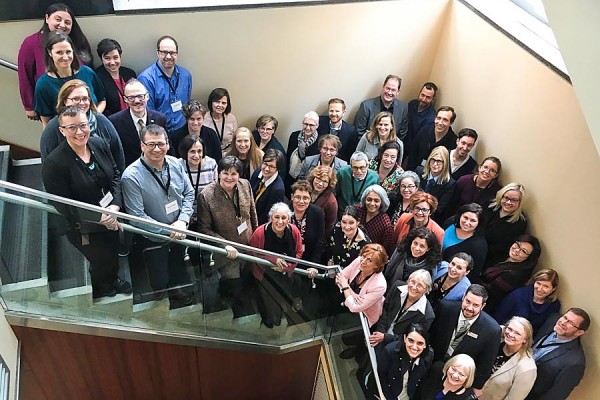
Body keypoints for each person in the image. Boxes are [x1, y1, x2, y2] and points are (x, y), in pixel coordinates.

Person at [41, 105, 130, 299]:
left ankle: (113, 279)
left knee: (113, 250)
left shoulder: (97, 143)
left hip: (111, 213)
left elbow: (115, 174)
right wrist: (100, 217)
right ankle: (101, 287)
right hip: (84, 225)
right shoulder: (54, 164)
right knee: (98, 258)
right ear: (62, 131)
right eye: (72, 128)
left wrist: (114, 206)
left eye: (83, 125)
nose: (79, 132)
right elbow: (64, 204)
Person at [121, 124, 194, 307]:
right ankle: (159, 292)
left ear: (168, 144)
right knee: (157, 274)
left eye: (161, 144)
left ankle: (176, 289)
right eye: (151, 144)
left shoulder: (176, 164)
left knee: (177, 265)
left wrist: (182, 221)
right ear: (142, 146)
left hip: (179, 231)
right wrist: (168, 230)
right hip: (152, 238)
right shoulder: (131, 176)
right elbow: (136, 215)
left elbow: (189, 193)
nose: (156, 149)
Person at [197, 156, 258, 317]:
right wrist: (224, 245)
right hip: (227, 254)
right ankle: (234, 310)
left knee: (247, 279)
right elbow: (204, 229)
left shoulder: (245, 185)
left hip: (248, 246)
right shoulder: (206, 195)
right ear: (218, 173)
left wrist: (257, 239)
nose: (229, 178)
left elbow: (252, 213)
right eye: (225, 173)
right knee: (232, 284)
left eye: (234, 174)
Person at [18, 2, 93, 121]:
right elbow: (24, 75)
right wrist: (29, 105)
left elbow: (89, 71)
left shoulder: (79, 40)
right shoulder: (31, 43)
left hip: (82, 106)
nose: (62, 25)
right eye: (58, 19)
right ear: (47, 18)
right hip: (51, 107)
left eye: (67, 22)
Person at [39, 79, 125, 174]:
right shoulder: (52, 128)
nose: (81, 103)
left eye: (85, 98)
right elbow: (48, 167)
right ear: (64, 101)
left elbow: (118, 154)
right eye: (76, 99)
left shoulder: (101, 120)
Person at [428, 284, 502, 394]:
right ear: (463, 297)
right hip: (431, 367)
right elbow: (430, 335)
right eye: (468, 301)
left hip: (457, 381)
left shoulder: (492, 330)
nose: (470, 308)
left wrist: (474, 389)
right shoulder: (445, 308)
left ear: (483, 306)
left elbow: (485, 365)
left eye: (476, 305)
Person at [248, 203, 303, 328]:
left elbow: (299, 252)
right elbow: (252, 253)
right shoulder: (260, 233)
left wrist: (287, 267)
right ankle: (271, 322)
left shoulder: (294, 231)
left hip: (286, 273)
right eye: (276, 217)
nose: (280, 221)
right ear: (271, 218)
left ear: (288, 220)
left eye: (284, 218)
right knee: (269, 301)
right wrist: (273, 259)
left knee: (282, 297)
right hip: (265, 274)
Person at [34, 31, 105, 127]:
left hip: (94, 127)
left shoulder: (87, 72)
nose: (65, 57)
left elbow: (102, 100)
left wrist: (92, 118)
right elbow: (46, 122)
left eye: (68, 52)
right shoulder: (43, 84)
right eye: (59, 52)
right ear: (50, 53)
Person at [528, 308, 590, 400]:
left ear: (579, 332)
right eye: (565, 317)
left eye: (571, 323)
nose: (563, 322)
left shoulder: (575, 363)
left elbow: (555, 396)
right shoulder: (552, 320)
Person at [371, 269, 435, 352]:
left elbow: (413, 338)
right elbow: (385, 309)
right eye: (412, 282)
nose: (414, 287)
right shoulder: (397, 287)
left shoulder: (427, 315)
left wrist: (385, 337)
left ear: (426, 290)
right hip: (381, 329)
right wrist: (380, 332)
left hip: (398, 345)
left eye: (419, 285)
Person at [138, 35, 192, 133]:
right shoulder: (146, 79)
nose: (168, 56)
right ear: (157, 53)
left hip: (182, 131)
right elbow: (148, 113)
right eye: (164, 52)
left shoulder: (186, 75)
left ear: (177, 54)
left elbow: (187, 105)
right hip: (160, 133)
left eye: (172, 53)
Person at [475, 234, 541, 313]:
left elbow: (489, 291)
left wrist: (473, 276)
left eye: (523, 251)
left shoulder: (514, 275)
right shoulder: (504, 255)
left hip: (482, 304)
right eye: (517, 244)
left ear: (529, 258)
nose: (517, 250)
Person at [108, 79, 167, 167]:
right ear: (125, 99)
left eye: (140, 96)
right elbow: (115, 154)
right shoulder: (114, 122)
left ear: (147, 96)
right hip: (130, 173)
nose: (136, 101)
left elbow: (168, 148)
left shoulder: (160, 119)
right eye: (131, 97)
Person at [368, 323, 433, 400]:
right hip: (383, 393)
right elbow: (381, 378)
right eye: (411, 341)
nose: (414, 347)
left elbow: (420, 382)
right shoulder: (390, 351)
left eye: (420, 343)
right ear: (405, 338)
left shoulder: (428, 357)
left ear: (425, 345)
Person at [479, 317, 537, 400]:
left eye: (517, 333)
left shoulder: (527, 369)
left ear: (525, 340)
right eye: (509, 329)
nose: (511, 334)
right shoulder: (495, 342)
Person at [336, 243, 388, 328]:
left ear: (377, 266)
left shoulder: (380, 285)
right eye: (364, 256)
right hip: (346, 306)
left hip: (363, 319)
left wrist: (345, 286)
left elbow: (355, 308)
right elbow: (339, 278)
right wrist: (353, 294)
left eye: (370, 260)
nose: (363, 261)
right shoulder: (358, 261)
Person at [494, 268, 561, 335]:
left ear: (553, 289)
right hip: (506, 334)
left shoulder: (554, 306)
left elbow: (544, 330)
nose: (540, 289)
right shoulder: (518, 295)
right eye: (538, 283)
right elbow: (499, 316)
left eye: (545, 286)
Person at [177, 135, 217, 230]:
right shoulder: (177, 166)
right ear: (185, 152)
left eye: (199, 151)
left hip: (206, 212)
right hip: (183, 212)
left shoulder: (211, 164)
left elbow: (215, 191)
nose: (197, 155)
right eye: (192, 151)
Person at [482, 183, 528, 266]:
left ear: (520, 202)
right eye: (506, 198)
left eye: (514, 200)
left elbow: (503, 249)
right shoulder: (489, 205)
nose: (508, 202)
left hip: (488, 257)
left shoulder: (520, 222)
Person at [385, 227, 442, 291]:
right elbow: (389, 270)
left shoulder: (430, 266)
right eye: (415, 243)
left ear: (428, 249)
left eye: (422, 246)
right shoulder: (401, 252)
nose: (417, 248)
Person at [354, 74, 408, 140]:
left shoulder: (403, 108)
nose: (389, 92)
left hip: (391, 147)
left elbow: (402, 134)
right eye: (388, 88)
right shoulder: (366, 106)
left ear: (398, 92)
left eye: (393, 90)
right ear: (383, 87)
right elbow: (359, 132)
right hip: (369, 145)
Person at [442, 203, 488, 279]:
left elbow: (473, 273)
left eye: (472, 220)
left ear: (479, 223)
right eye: (465, 217)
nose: (467, 223)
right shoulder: (450, 222)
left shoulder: (479, 246)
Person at [406, 105, 457, 172]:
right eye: (438, 118)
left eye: (445, 120)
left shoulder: (453, 141)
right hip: (416, 170)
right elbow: (413, 153)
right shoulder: (424, 130)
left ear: (451, 123)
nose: (440, 123)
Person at [94, 38, 137, 117]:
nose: (112, 62)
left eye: (115, 57)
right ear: (101, 59)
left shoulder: (129, 73)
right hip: (112, 121)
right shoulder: (97, 77)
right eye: (107, 58)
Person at [416, 146, 456, 221]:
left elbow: (439, 209)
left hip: (431, 218)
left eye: (439, 161)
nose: (435, 164)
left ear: (445, 163)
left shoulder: (449, 184)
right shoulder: (419, 171)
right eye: (433, 160)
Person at [290, 180, 325, 263]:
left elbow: (319, 240)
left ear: (310, 198)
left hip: (308, 259)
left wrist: (314, 265)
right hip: (288, 257)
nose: (301, 201)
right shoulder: (285, 211)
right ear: (292, 197)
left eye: (305, 198)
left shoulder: (317, 213)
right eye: (298, 197)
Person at [354, 185, 395, 256]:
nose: (372, 203)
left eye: (376, 201)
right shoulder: (357, 210)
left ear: (382, 202)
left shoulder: (385, 224)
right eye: (369, 199)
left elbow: (385, 251)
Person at [250, 149, 285, 225]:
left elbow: (267, 217)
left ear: (277, 169)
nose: (266, 169)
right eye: (265, 164)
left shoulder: (277, 190)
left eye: (271, 166)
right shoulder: (257, 172)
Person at [286, 111, 321, 183]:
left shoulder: (320, 142)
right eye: (306, 124)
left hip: (307, 181)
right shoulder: (294, 136)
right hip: (290, 177)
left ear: (317, 126)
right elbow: (288, 156)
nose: (308, 128)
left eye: (311, 125)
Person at [405, 82, 438, 157]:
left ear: (433, 99)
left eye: (428, 97)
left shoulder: (431, 117)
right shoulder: (412, 104)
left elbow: (420, 140)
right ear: (419, 93)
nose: (423, 99)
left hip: (412, 152)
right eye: (422, 95)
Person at [203, 88, 238, 153]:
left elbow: (235, 140)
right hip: (209, 153)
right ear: (211, 102)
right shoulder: (203, 118)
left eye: (223, 103)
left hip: (228, 154)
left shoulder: (231, 118)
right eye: (217, 102)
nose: (220, 105)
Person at [308, 165, 338, 235]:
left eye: (325, 181)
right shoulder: (305, 188)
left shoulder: (331, 202)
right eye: (318, 179)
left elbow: (329, 226)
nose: (320, 184)